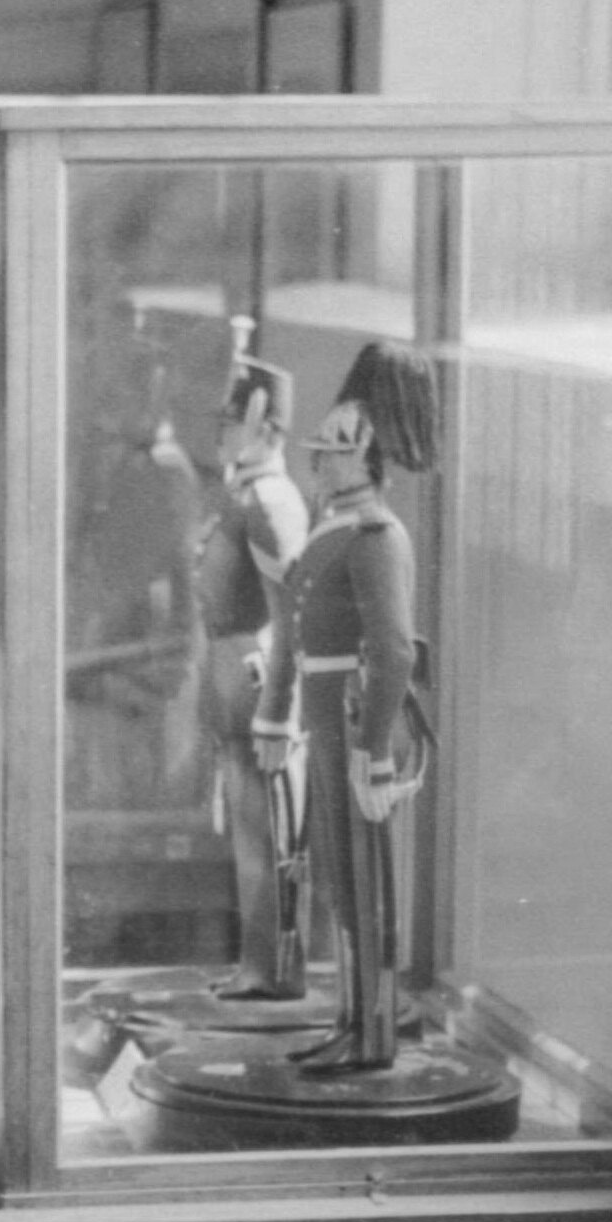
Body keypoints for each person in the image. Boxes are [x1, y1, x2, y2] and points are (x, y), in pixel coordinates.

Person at [261, 341, 441, 1072]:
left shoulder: (375, 536)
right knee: (340, 875)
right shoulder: (339, 528)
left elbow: (393, 651)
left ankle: (373, 1034)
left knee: (365, 884)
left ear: (366, 457)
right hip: (330, 721)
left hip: (356, 723)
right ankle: (351, 1022)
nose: (320, 465)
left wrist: (371, 755)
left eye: (333, 454)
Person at [193, 324, 312, 998]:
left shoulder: (269, 501)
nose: (223, 431)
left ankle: (271, 969)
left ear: (265, 426)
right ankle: (257, 964)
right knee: (247, 833)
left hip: (256, 681)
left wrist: (277, 712)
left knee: (266, 837)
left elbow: (290, 611)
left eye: (234, 419)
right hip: (231, 679)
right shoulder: (244, 494)